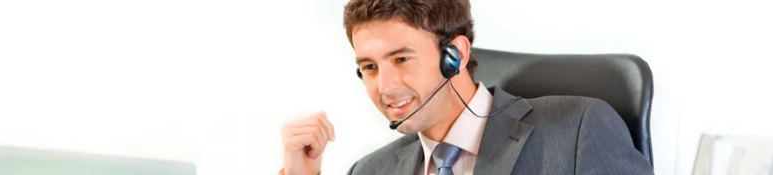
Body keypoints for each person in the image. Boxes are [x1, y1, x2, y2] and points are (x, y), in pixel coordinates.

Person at [279, 0, 655, 174]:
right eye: (370, 67)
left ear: (454, 54)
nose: (386, 86)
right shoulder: (371, 170)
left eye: (402, 58)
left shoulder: (577, 129)